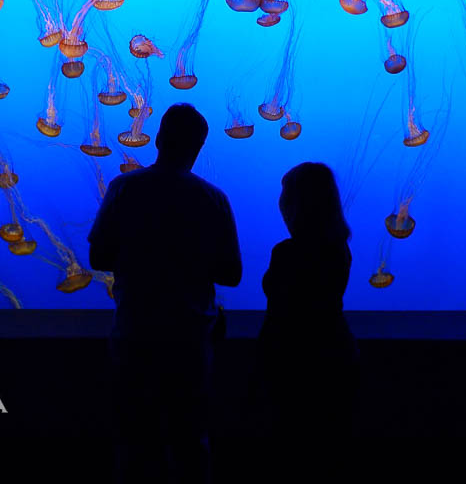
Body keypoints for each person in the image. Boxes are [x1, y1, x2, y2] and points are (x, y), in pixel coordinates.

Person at [88, 103, 242, 484]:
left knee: (134, 439)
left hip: (134, 333)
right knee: (191, 439)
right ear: (199, 147)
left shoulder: (124, 188)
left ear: (157, 138)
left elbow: (98, 256)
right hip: (191, 339)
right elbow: (232, 274)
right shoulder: (214, 198)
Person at [257, 162, 360, 452]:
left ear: (296, 203)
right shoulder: (340, 248)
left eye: (286, 193)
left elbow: (279, 317)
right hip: (336, 353)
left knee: (293, 446)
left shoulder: (288, 253)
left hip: (295, 362)